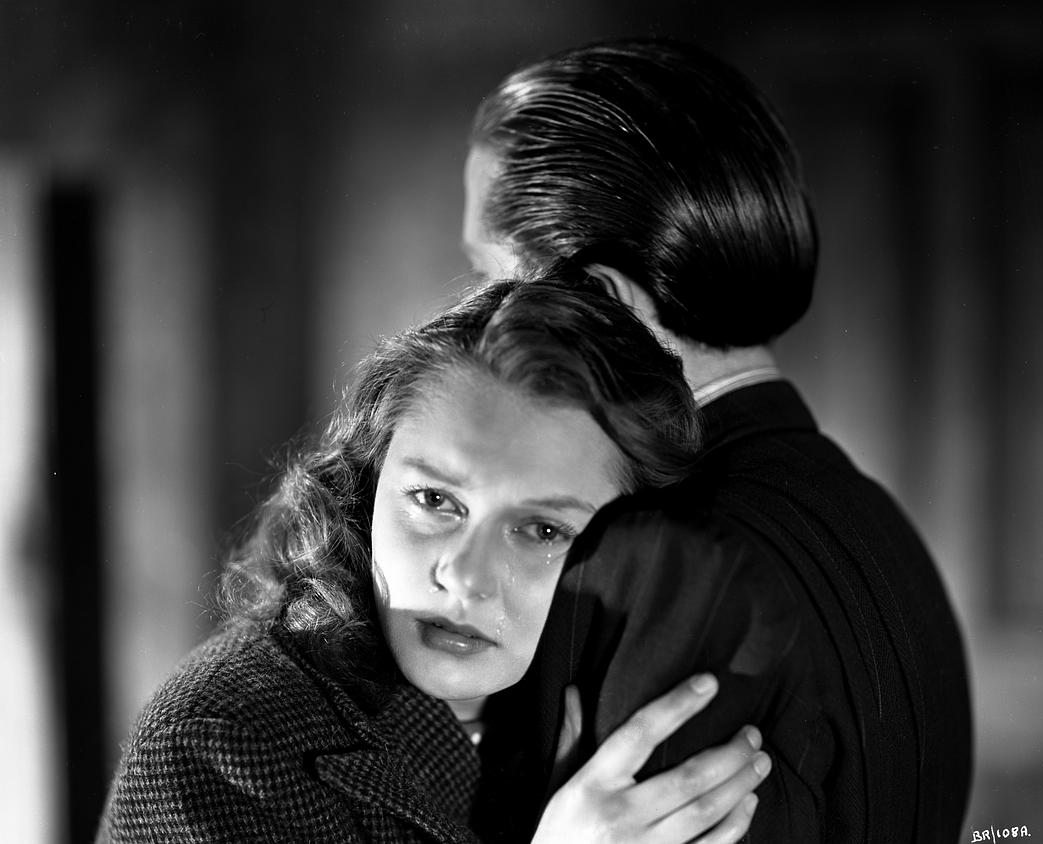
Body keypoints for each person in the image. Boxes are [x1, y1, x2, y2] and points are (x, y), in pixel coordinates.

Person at [464, 37, 973, 843]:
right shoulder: (881, 525)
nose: (477, 327)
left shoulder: (662, 558)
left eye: (490, 282)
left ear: (602, 302)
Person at [96, 272, 772, 844]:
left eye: (542, 530)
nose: (464, 576)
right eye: (434, 500)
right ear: (370, 482)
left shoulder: (626, 703)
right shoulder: (216, 743)